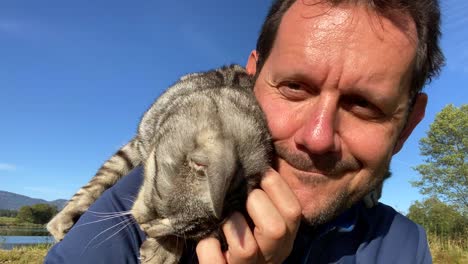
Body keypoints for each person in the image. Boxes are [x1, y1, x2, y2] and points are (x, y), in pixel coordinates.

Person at [45, 0, 444, 263]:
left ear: (407, 124)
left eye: (364, 105)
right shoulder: (138, 207)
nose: (318, 137)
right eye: (294, 87)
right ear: (250, 78)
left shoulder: (402, 247)